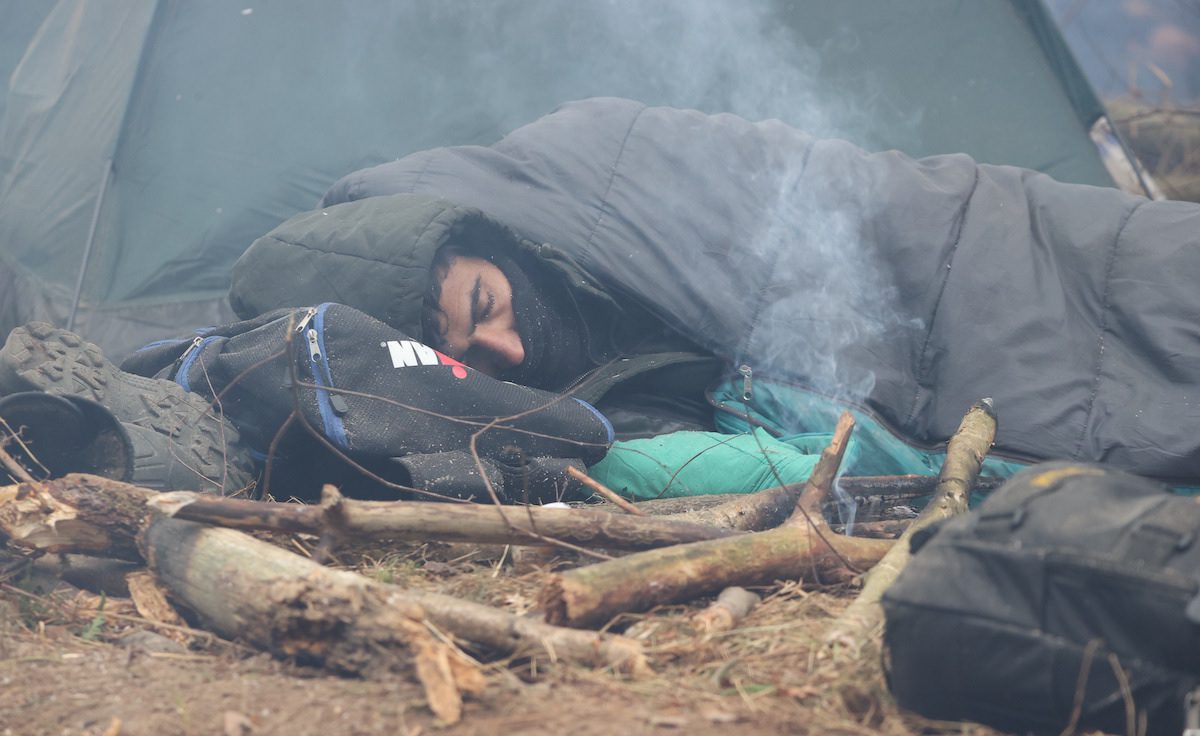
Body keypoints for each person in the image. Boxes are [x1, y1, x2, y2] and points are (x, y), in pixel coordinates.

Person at [227, 97, 1200, 498]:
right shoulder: (599, 410)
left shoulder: (593, 158)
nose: (509, 351)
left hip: (993, 252)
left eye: (487, 305)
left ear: (479, 235)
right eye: (472, 357)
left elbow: (893, 225)